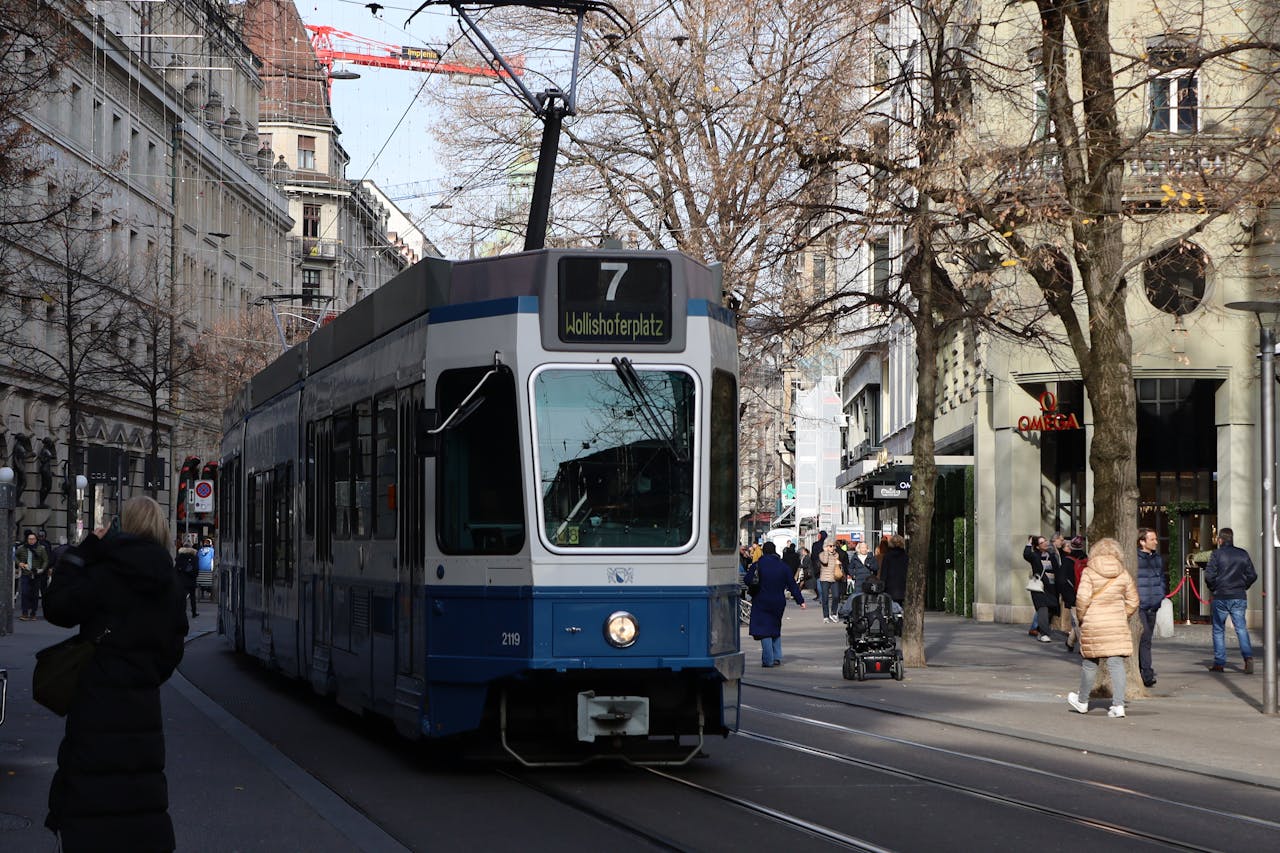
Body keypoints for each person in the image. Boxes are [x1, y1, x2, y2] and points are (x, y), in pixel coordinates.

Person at [42, 496, 188, 851]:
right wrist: (144, 676)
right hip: (142, 705)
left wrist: (86, 548)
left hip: (95, 700)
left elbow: (57, 607)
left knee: (91, 787)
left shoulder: (106, 572)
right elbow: (173, 648)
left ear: (122, 525)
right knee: (140, 790)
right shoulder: (169, 581)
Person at [1067, 537, 1139, 718]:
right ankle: (1118, 705)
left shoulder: (1089, 572)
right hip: (1116, 622)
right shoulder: (1123, 573)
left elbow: (1082, 599)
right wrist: (1124, 614)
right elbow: (1133, 600)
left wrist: (1083, 617)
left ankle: (1082, 701)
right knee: (1116, 663)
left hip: (1094, 622)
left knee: (1090, 663)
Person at [1203, 527, 1257, 674]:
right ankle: (1248, 657)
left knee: (1219, 629)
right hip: (1238, 595)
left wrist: (1214, 587)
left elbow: (1209, 576)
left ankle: (1219, 663)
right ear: (1231, 539)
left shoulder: (1216, 554)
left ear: (1220, 540)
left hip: (1220, 595)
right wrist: (1243, 586)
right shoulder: (1242, 554)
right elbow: (1252, 575)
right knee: (1241, 628)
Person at [743, 541, 805, 666]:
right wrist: (800, 601)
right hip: (778, 601)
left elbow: (748, 580)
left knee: (764, 629)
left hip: (761, 600)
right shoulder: (783, 566)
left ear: (764, 551)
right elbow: (792, 585)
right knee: (775, 627)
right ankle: (777, 656)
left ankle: (768, 659)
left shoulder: (757, 565)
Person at [1136, 528, 1166, 687]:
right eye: (1152, 539)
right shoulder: (1135, 559)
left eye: (1155, 539)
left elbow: (1161, 577)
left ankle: (1145, 669)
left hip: (1153, 605)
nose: (1155, 542)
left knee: (1147, 640)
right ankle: (1147, 672)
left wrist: (1160, 594)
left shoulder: (1157, 559)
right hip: (1139, 605)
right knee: (1145, 638)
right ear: (1142, 541)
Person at [1022, 534, 1060, 643]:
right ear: (1037, 546)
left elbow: (1057, 570)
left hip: (1052, 588)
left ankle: (1039, 630)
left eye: (1045, 541)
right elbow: (1026, 554)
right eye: (1042, 542)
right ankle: (1044, 634)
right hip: (1040, 588)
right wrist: (1029, 543)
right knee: (1042, 609)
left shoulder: (1052, 556)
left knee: (1052, 610)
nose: (1045, 543)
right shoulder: (1035, 556)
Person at [16, 529, 48, 621]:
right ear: (27, 539)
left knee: (34, 595)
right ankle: (24, 613)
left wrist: (42, 569)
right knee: (25, 593)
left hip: (36, 574)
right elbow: (14, 555)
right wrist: (20, 563)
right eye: (29, 539)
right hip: (26, 574)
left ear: (36, 539)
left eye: (33, 539)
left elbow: (45, 560)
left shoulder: (41, 549)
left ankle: (33, 613)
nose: (31, 540)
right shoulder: (22, 548)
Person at [1063, 536, 1087, 651]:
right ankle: (1070, 642)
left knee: (1077, 622)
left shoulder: (1067, 561)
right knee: (1082, 620)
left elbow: (1062, 580)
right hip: (1086, 594)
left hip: (1073, 596)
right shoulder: (1086, 559)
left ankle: (1083, 648)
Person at [815, 540, 843, 623]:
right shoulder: (821, 554)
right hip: (825, 578)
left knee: (836, 596)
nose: (832, 548)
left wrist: (839, 564)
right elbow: (825, 561)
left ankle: (834, 613)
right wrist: (826, 552)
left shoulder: (837, 554)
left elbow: (838, 566)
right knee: (825, 598)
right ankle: (826, 616)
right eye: (830, 546)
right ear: (826, 547)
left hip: (834, 578)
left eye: (833, 546)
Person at [880, 534, 908, 607]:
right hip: (902, 586)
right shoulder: (906, 556)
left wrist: (882, 586)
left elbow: (884, 573)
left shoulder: (887, 556)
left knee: (890, 608)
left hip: (890, 587)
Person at [176, 538, 200, 618]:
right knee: (192, 597)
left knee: (182, 597)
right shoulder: (194, 557)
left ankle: (182, 612)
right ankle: (194, 612)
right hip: (191, 580)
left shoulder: (179, 556)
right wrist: (194, 575)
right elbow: (196, 569)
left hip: (182, 580)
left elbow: (176, 569)